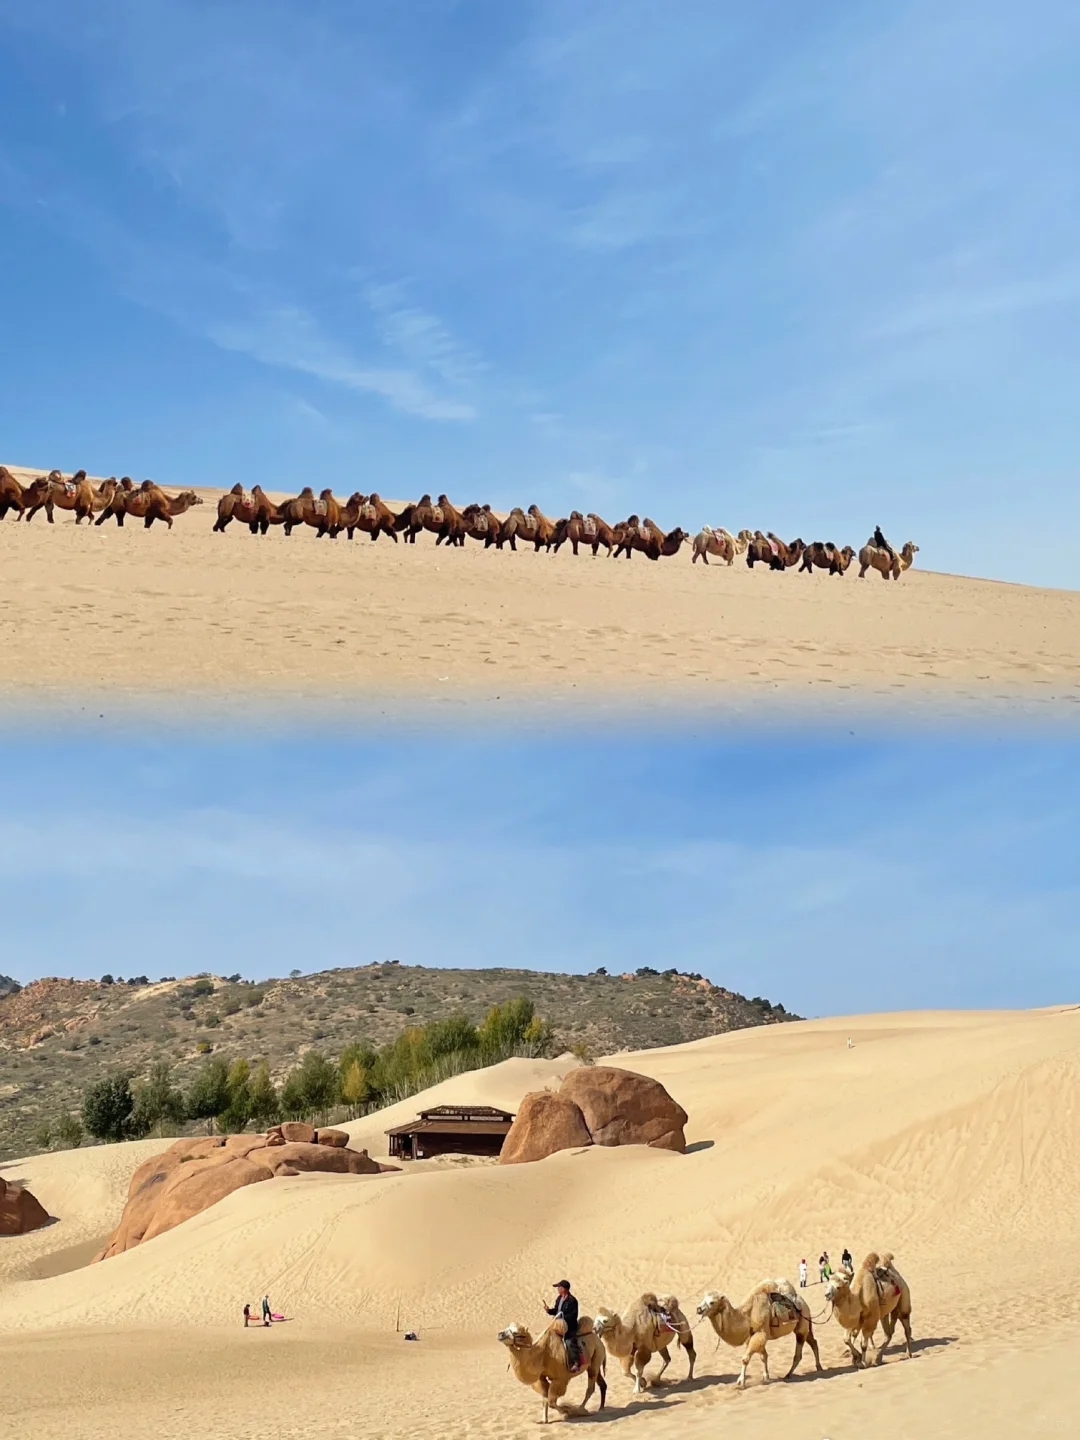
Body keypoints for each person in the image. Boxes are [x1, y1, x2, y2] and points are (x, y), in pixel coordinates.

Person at [545, 1280, 581, 1371]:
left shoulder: (572, 1301)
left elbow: (574, 1315)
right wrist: (549, 1311)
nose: (558, 1289)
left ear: (564, 1289)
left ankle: (576, 1363)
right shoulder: (559, 1298)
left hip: (569, 1327)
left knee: (569, 1342)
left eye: (559, 1287)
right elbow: (556, 1310)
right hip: (558, 1325)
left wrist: (562, 1317)